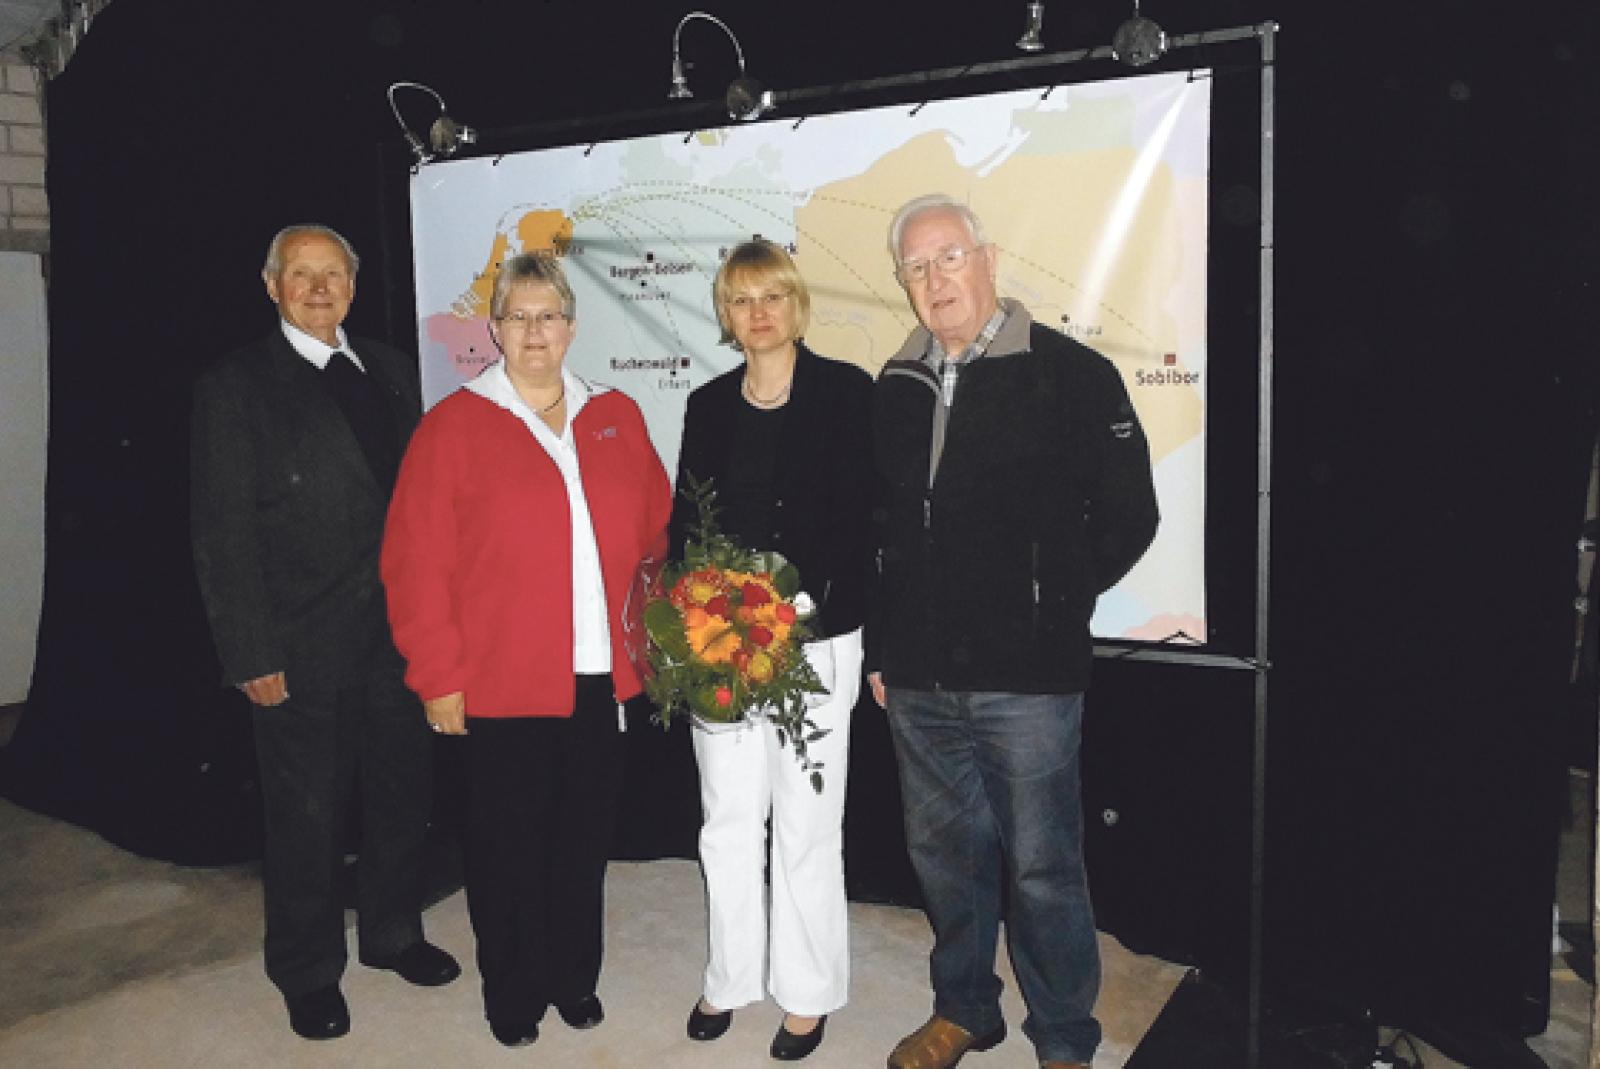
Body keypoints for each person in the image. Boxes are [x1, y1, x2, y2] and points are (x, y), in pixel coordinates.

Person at [868, 195, 1159, 1069]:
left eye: (949, 257)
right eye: (916, 266)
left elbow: (1129, 513)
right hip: (919, 680)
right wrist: (884, 646)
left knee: (1041, 867)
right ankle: (964, 1008)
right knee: (945, 858)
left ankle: (1065, 1036)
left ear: (987, 258)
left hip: (1028, 679)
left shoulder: (1071, 374)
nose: (934, 279)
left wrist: (1050, 603)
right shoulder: (896, 384)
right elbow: (882, 529)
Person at [381, 252, 671, 1048]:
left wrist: (651, 644)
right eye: (518, 316)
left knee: (581, 843)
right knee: (506, 850)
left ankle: (574, 978)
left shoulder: (616, 414)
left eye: (549, 316)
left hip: (599, 678)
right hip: (499, 684)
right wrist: (437, 676)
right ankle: (512, 992)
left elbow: (654, 535)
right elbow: (414, 562)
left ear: (572, 327)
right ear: (495, 329)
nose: (534, 331)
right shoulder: (454, 426)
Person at [190, 224, 460, 1042]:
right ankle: (306, 971)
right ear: (271, 284)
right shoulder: (235, 386)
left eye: (332, 273)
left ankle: (392, 932)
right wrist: (250, 651)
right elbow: (222, 533)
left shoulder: (390, 369)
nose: (317, 288)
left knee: (400, 793)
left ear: (354, 283)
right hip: (299, 643)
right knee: (305, 818)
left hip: (399, 635)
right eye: (300, 274)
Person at [671, 239, 874, 1062]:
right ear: (726, 313)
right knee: (726, 819)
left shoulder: (847, 394)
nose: (759, 313)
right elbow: (687, 524)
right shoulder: (707, 404)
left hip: (815, 642)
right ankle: (729, 977)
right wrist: (700, 620)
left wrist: (793, 607)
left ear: (796, 305)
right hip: (721, 642)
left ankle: (808, 992)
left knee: (806, 824)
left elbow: (864, 519)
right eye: (742, 299)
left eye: (773, 297)